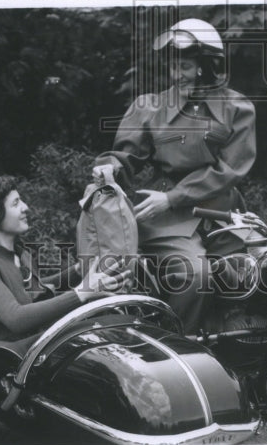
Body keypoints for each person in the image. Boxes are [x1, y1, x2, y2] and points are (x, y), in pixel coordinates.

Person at [97, 19, 256, 334]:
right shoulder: (150, 107)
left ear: (206, 66)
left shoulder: (237, 108)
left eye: (184, 66)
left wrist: (173, 198)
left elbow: (231, 169)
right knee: (196, 274)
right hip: (168, 218)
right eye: (172, 66)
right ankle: (175, 348)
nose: (176, 74)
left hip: (224, 217)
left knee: (264, 270)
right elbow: (124, 156)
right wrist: (108, 165)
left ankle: (249, 352)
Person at [0, 176, 130, 344]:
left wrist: (79, 270)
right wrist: (82, 293)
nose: (25, 208)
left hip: (34, 346)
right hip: (9, 357)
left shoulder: (19, 253)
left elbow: (32, 289)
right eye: (16, 203)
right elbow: (16, 318)